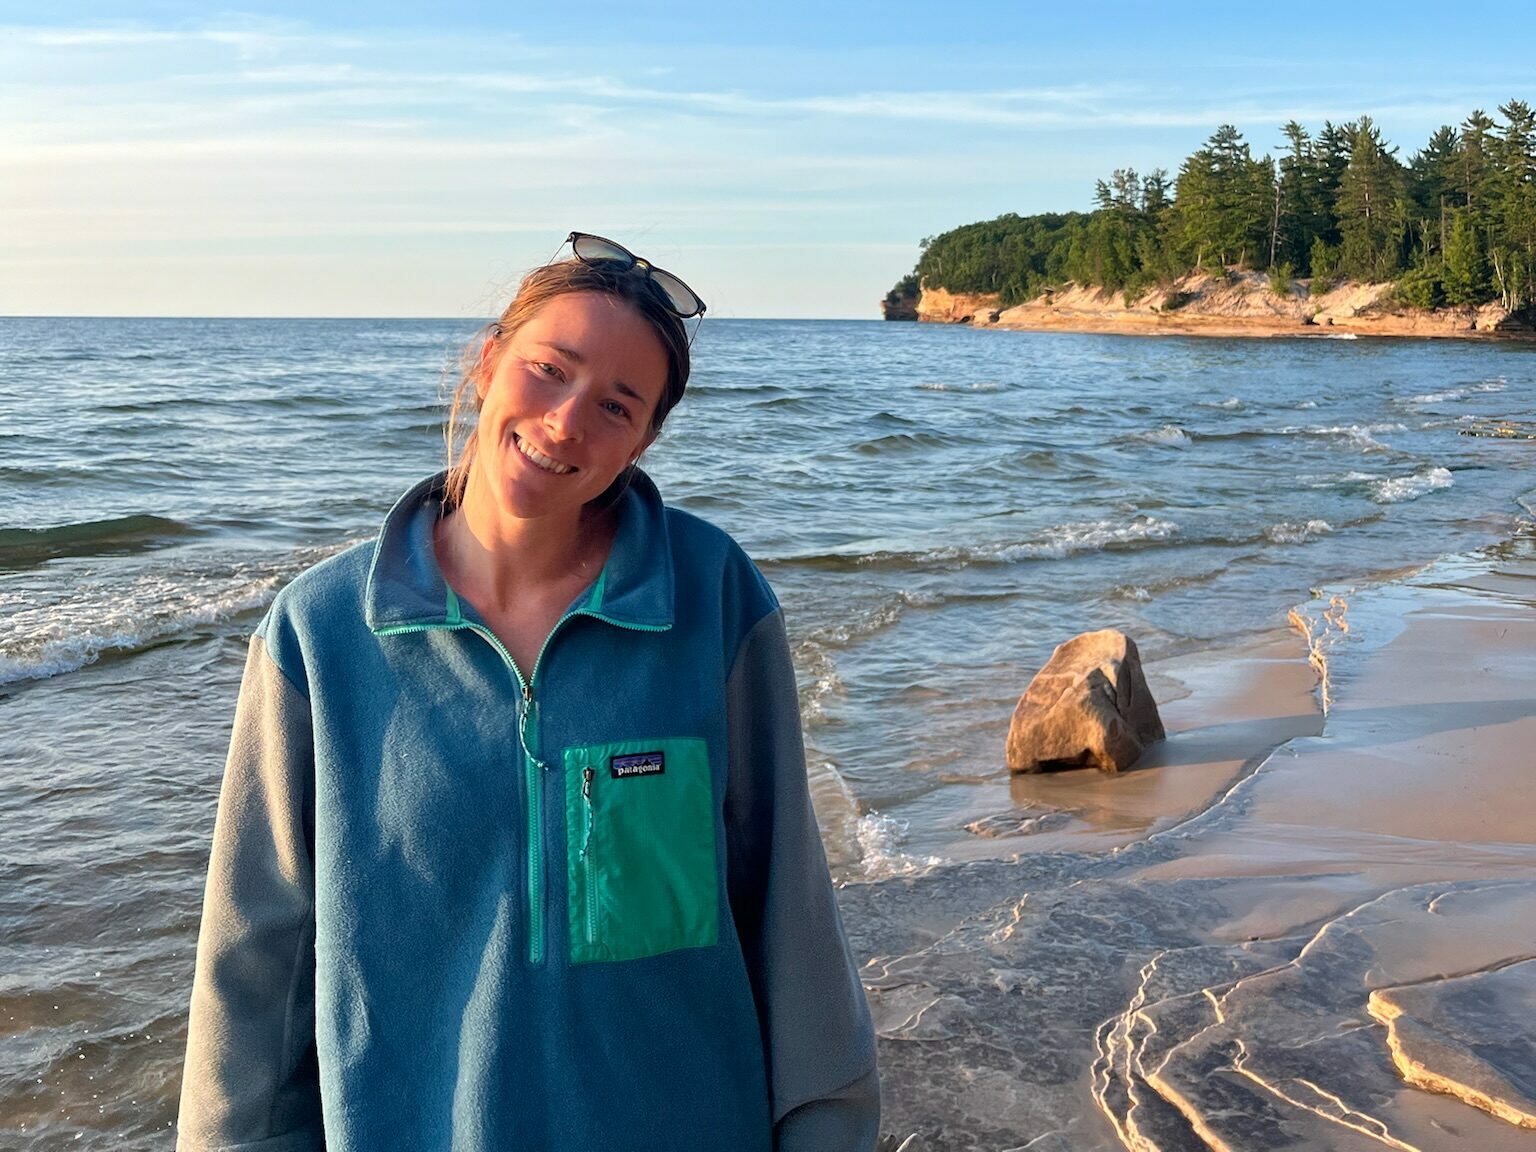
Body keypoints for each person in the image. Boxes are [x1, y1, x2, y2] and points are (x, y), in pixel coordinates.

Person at [175, 233, 881, 1152]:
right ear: (487, 361)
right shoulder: (319, 633)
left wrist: (830, 1124)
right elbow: (253, 958)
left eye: (617, 406)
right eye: (549, 370)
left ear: (643, 439)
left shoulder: (712, 596)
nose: (565, 422)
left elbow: (788, 906)